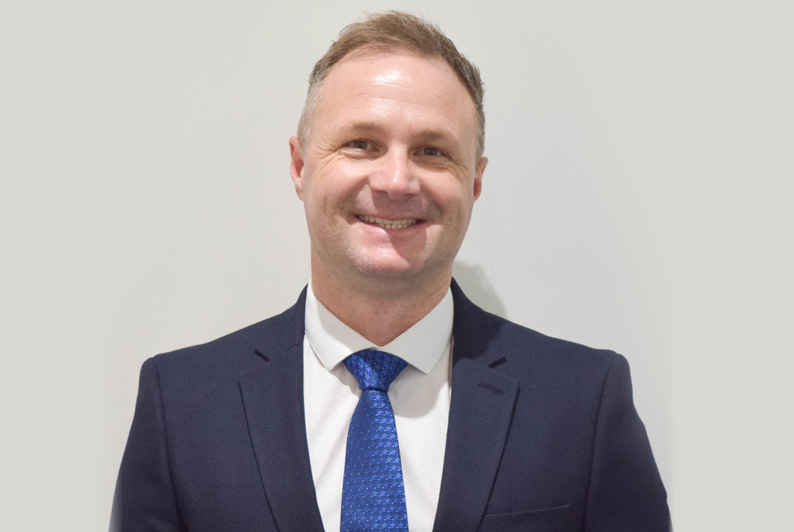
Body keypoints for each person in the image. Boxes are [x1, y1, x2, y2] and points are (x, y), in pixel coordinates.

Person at [111, 11, 669, 532]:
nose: (397, 181)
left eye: (432, 151)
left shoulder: (584, 401)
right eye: (361, 144)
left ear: (474, 182)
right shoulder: (181, 406)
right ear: (300, 167)